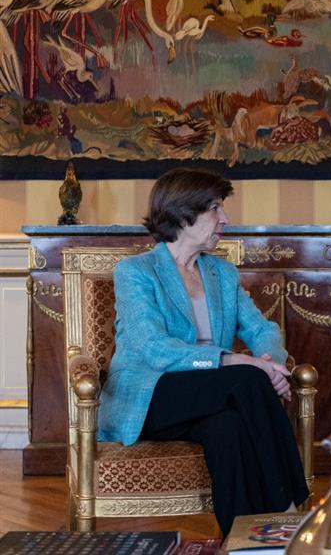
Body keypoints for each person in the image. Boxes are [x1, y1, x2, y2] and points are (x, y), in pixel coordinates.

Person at [97, 167, 309, 535]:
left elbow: (262, 329)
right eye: (215, 208)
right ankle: (290, 511)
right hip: (149, 396)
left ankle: (245, 541)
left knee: (228, 430)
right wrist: (237, 361)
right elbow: (154, 349)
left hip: (212, 395)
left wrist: (271, 364)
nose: (225, 218)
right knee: (246, 379)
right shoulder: (136, 272)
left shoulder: (221, 274)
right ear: (183, 214)